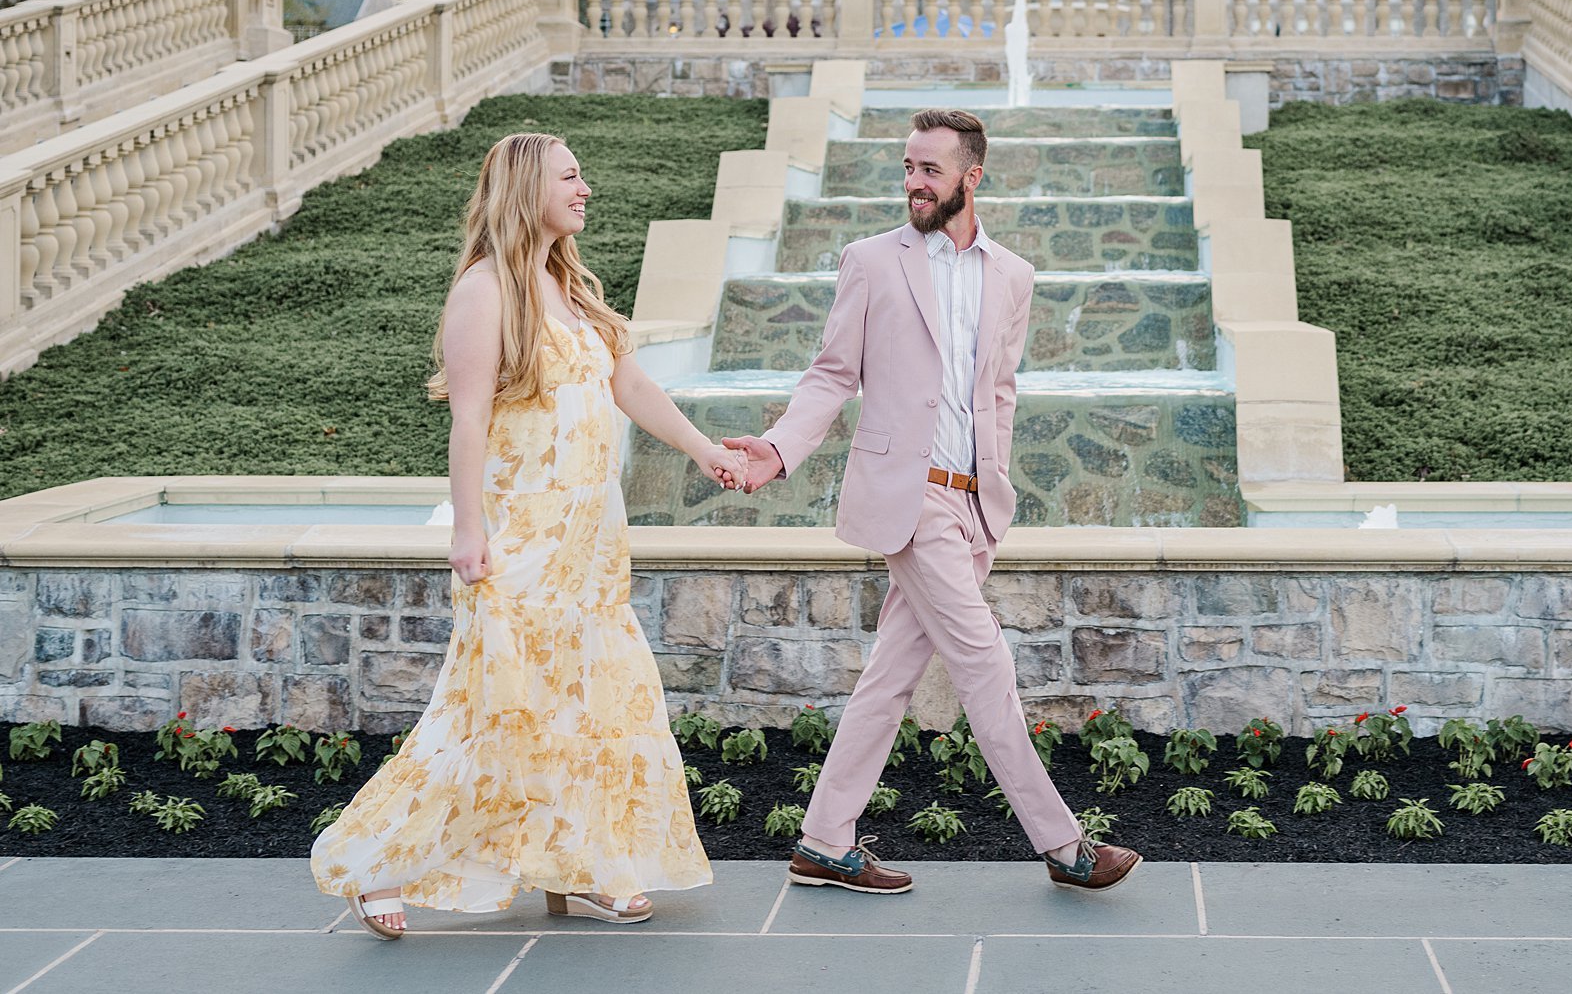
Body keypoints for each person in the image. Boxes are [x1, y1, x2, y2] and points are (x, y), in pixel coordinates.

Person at [312, 131, 742, 938]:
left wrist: (706, 449)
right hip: (523, 542)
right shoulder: (484, 291)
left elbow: (631, 384)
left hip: (589, 546)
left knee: (585, 708)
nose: (586, 189)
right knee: (495, 713)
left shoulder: (567, 285)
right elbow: (469, 419)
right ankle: (372, 864)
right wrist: (468, 530)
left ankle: (579, 868)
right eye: (571, 176)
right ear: (525, 189)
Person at [725, 108, 1141, 895]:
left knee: (889, 677)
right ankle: (1063, 845)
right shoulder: (871, 261)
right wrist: (778, 448)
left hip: (970, 504)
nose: (914, 182)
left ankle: (823, 838)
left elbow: (1001, 391)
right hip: (907, 499)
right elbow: (829, 374)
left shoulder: (1012, 275)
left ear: (970, 178)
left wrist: (994, 490)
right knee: (985, 663)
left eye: (930, 170)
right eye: (908, 168)